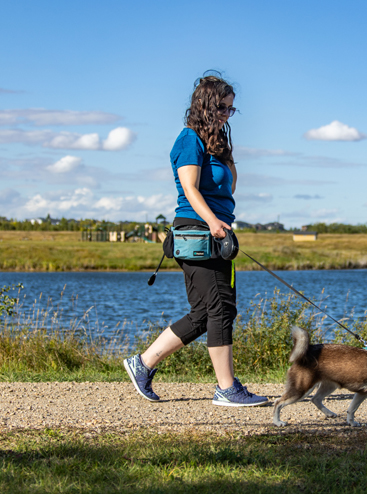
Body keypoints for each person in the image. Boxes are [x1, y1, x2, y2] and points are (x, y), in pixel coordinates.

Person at [123, 72, 267, 407]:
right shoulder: (189, 139)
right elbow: (189, 188)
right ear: (204, 106)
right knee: (221, 307)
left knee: (204, 313)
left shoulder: (216, 143)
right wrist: (214, 222)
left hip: (217, 231)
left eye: (231, 110)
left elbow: (229, 188)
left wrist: (225, 152)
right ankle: (227, 388)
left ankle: (142, 364)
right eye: (221, 108)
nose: (226, 115)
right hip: (198, 232)